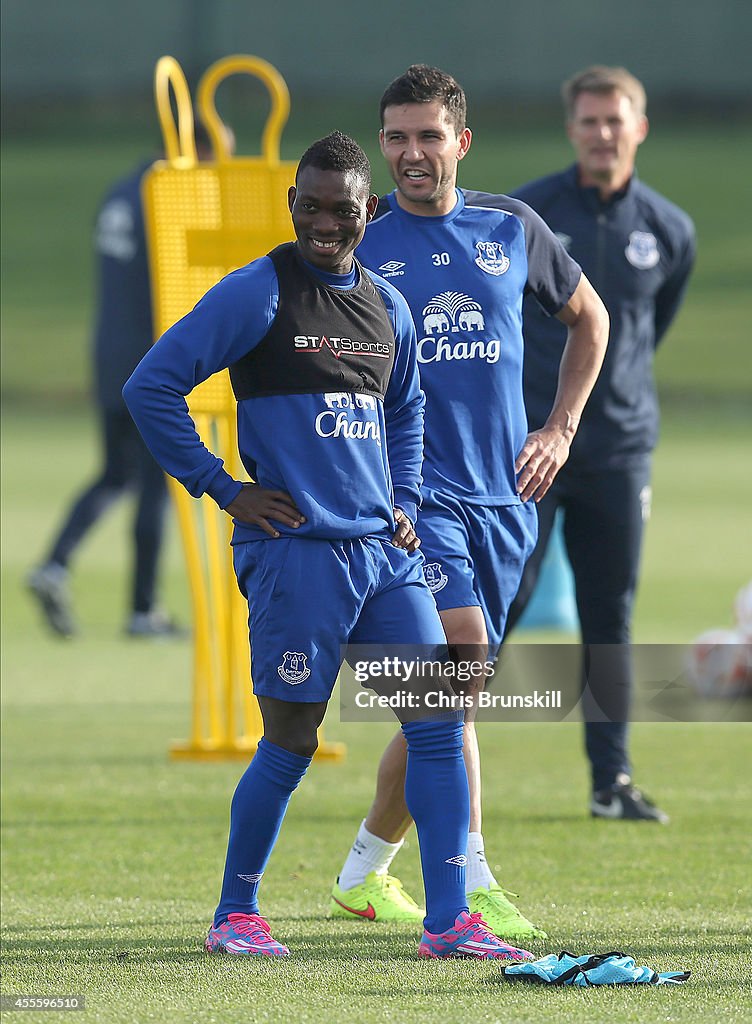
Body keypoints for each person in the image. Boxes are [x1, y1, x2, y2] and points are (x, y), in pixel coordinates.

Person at [123, 131, 534, 961]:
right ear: (292, 206)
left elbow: (410, 410)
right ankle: (235, 913)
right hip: (297, 554)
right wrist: (225, 487)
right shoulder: (257, 294)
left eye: (341, 210)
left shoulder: (389, 306)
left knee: (439, 717)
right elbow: (152, 385)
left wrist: (406, 500)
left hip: (384, 554)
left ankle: (450, 920)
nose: (323, 223)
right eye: (308, 206)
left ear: (365, 212)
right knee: (292, 738)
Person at [329, 66, 609, 941]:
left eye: (428, 137)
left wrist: (559, 430)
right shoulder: (358, 242)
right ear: (382, 146)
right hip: (417, 504)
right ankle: (472, 876)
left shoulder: (510, 228)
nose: (413, 154)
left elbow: (590, 321)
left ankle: (368, 867)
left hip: (507, 501)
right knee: (462, 658)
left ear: (461, 142)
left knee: (450, 692)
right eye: (398, 138)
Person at [504, 66, 696, 823]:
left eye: (615, 120)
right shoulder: (528, 216)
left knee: (608, 613)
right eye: (589, 121)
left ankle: (610, 781)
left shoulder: (668, 230)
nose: (602, 133)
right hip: (529, 448)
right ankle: (435, 753)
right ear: (571, 129)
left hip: (619, 451)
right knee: (500, 603)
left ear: (638, 127)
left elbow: (651, 329)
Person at [26, 125, 224, 638]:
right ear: (193, 148)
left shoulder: (120, 190)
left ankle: (54, 564)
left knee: (116, 474)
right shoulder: (169, 196)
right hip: (149, 362)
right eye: (214, 154)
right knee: (154, 485)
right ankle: (142, 610)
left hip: (108, 353)